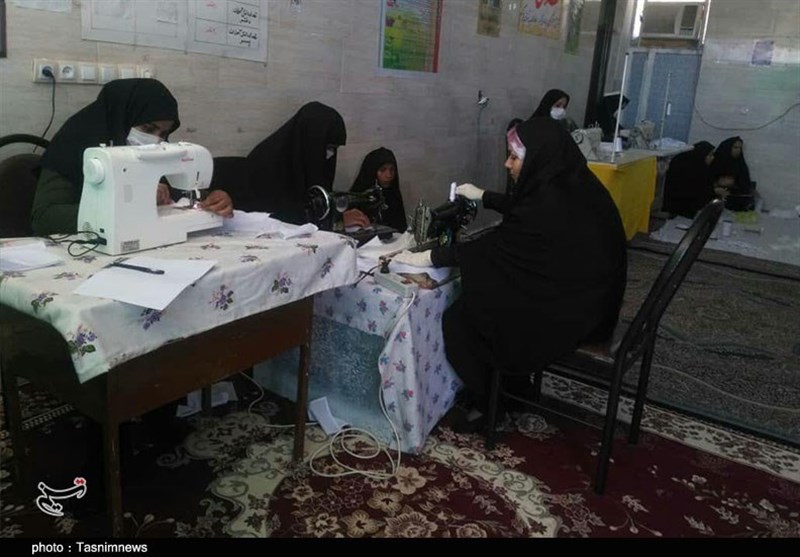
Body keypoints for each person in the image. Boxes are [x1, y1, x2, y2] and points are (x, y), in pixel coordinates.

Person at [393, 118, 628, 428]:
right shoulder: (570, 182)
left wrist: (430, 256)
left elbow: (496, 248)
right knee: (491, 293)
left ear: (538, 160)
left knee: (464, 317)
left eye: (514, 158)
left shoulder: (549, 203)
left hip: (575, 312)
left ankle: (493, 404)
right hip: (592, 298)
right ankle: (516, 389)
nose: (507, 164)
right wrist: (484, 196)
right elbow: (525, 208)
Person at [31, 78, 233, 236]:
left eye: (163, 133)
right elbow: (45, 219)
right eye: (148, 128)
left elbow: (178, 195)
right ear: (122, 117)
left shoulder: (153, 150)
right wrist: (135, 200)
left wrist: (211, 200)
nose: (156, 139)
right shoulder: (74, 142)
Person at [239, 101, 368, 227]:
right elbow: (276, 216)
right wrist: (335, 220)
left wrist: (336, 213)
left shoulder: (308, 163)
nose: (330, 154)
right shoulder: (266, 163)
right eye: (327, 147)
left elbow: (318, 202)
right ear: (311, 141)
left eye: (334, 148)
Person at [349, 147, 407, 232]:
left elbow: (401, 226)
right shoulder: (360, 197)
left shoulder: (394, 195)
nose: (389, 175)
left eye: (392, 170)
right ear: (372, 171)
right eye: (383, 170)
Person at [661, 141, 715, 219]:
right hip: (678, 212)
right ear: (701, 155)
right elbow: (692, 193)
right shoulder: (688, 170)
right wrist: (714, 191)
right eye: (710, 155)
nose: (713, 158)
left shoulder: (702, 169)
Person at [709, 136, 754, 211]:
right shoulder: (715, 162)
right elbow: (706, 182)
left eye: (740, 148)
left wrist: (733, 184)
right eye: (735, 147)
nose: (738, 150)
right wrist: (717, 185)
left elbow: (745, 185)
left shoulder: (740, 164)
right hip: (714, 200)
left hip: (735, 200)